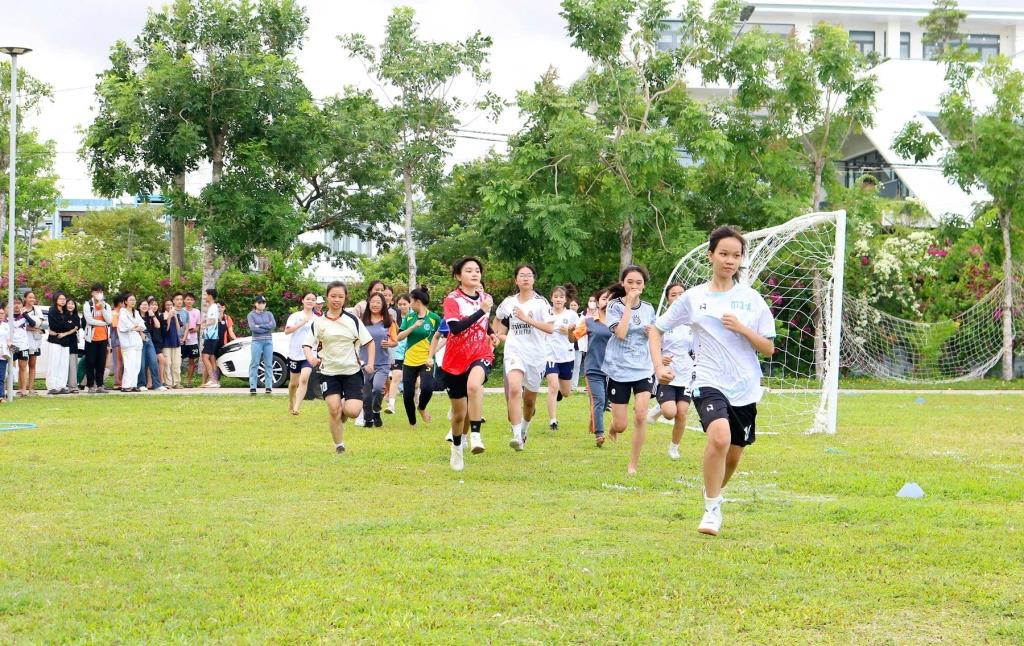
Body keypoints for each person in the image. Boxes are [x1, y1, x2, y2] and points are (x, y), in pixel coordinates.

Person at [651, 226, 776, 537]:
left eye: (736, 255)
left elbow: (769, 348)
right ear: (711, 256)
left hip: (745, 387)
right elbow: (656, 329)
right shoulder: (693, 298)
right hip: (708, 380)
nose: (730, 260)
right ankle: (711, 508)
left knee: (733, 455)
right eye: (724, 254)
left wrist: (743, 330)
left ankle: (714, 493)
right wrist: (658, 366)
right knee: (718, 438)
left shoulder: (751, 299)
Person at [303, 281, 373, 454]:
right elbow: (306, 344)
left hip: (352, 372)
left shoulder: (353, 320)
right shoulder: (318, 322)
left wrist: (370, 363)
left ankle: (344, 403)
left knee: (353, 411)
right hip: (328, 372)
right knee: (334, 410)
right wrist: (310, 357)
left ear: (345, 298)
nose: (337, 300)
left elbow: (369, 343)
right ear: (327, 297)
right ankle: (339, 446)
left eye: (340, 296)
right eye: (333, 296)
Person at [441, 257, 494, 471]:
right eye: (468, 270)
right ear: (458, 276)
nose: (474, 273)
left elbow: (483, 324)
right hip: (454, 361)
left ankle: (476, 435)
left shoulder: (486, 297)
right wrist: (481, 310)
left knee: (474, 386)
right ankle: (456, 447)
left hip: (480, 353)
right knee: (458, 414)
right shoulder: (452, 299)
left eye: (477, 270)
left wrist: (491, 334)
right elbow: (455, 329)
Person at [492, 264, 553, 452]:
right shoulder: (509, 302)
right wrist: (496, 335)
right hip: (514, 351)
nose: (526, 278)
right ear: (516, 280)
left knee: (529, 400)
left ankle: (524, 430)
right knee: (514, 389)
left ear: (533, 279)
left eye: (529, 275)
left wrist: (526, 319)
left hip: (535, 354)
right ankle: (516, 436)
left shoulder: (541, 303)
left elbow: (550, 328)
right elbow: (498, 319)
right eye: (522, 275)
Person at [603, 265, 656, 475]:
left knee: (641, 415)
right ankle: (613, 426)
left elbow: (654, 337)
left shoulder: (649, 309)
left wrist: (652, 333)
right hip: (618, 369)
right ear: (623, 283)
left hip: (643, 368)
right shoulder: (614, 306)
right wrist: (629, 306)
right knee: (621, 425)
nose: (634, 286)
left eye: (639, 282)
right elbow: (622, 333)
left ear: (644, 285)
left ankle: (632, 464)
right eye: (631, 282)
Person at [653, 283, 694, 461]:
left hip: (686, 375)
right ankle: (660, 407)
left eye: (681, 294)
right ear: (668, 299)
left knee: (682, 412)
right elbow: (652, 348)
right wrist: (660, 360)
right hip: (667, 374)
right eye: (673, 295)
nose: (677, 297)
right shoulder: (662, 322)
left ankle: (674, 447)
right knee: (670, 412)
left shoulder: (693, 322)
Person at [569, 287, 613, 447]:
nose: (607, 302)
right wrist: (569, 331)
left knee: (607, 401)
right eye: (603, 299)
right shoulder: (588, 322)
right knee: (599, 400)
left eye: (610, 299)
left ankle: (594, 421)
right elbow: (573, 338)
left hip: (613, 370)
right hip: (593, 368)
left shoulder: (620, 323)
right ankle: (599, 434)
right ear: (597, 302)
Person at [396, 287, 440, 426]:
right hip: (409, 360)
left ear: (417, 301)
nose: (409, 304)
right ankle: (412, 423)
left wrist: (432, 354)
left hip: (426, 360)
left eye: (410, 301)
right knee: (408, 394)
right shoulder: (409, 317)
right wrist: (413, 326)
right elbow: (399, 337)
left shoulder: (434, 318)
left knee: (427, 388)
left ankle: (421, 408)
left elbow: (443, 337)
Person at [543, 285, 580, 431]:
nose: (558, 299)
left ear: (565, 299)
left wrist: (568, 332)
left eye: (561, 297)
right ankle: (553, 420)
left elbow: (578, 335)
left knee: (566, 392)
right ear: (551, 298)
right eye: (556, 296)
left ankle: (559, 391)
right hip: (549, 354)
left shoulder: (571, 315)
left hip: (566, 355)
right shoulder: (546, 313)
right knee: (552, 386)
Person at [359, 292, 396, 428]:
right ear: (369, 303)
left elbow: (394, 340)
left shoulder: (388, 321)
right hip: (365, 362)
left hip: (382, 362)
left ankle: (376, 411)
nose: (375, 305)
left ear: (383, 305)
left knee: (377, 388)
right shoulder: (362, 322)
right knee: (366, 395)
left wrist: (390, 344)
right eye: (372, 301)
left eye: (378, 302)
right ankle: (368, 419)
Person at [285, 292, 317, 415]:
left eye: (313, 299)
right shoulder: (295, 316)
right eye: (308, 299)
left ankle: (297, 408)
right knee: (293, 384)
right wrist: (302, 323)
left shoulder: (318, 318)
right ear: (302, 300)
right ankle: (291, 402)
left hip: (309, 354)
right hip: (295, 354)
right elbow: (287, 331)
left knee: (304, 379)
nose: (310, 301)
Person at [45, 292, 76, 395]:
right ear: (56, 299)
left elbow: (70, 326)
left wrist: (65, 327)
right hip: (55, 340)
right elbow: (55, 325)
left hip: (65, 341)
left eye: (64, 299)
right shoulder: (52, 310)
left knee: (63, 365)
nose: (63, 300)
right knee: (54, 364)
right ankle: (52, 386)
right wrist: (66, 326)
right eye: (60, 299)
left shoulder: (66, 311)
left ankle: (61, 386)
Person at [83, 283, 112, 393]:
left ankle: (100, 385)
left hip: (103, 338)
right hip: (91, 338)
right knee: (90, 362)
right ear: (92, 293)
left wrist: (102, 308)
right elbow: (89, 320)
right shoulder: (88, 304)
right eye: (96, 291)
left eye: (100, 291)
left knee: (101, 363)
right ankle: (90, 385)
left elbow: (109, 320)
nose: (98, 294)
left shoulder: (106, 305)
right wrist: (103, 323)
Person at [385, 293, 411, 415]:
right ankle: (391, 405)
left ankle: (416, 396)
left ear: (410, 304)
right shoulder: (394, 317)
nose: (402, 306)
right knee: (395, 376)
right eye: (399, 304)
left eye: (404, 304)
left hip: (412, 352)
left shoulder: (414, 317)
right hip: (397, 352)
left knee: (416, 383)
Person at [247, 295, 277, 395]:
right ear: (255, 303)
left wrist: (259, 325)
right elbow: (253, 328)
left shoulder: (269, 314)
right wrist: (266, 327)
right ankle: (253, 387)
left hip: (268, 341)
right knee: (254, 363)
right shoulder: (251, 315)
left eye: (263, 302)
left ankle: (268, 387)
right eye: (259, 302)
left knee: (269, 364)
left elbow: (273, 325)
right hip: (256, 341)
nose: (262, 304)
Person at [117, 294, 146, 393]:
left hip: (137, 341)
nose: (133, 302)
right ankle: (126, 385)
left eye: (134, 300)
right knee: (129, 364)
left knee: (137, 364)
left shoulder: (136, 312)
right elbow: (126, 325)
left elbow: (142, 324)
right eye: (130, 300)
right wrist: (135, 327)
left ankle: (133, 385)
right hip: (128, 342)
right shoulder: (123, 311)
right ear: (125, 301)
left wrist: (136, 327)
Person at [138, 300, 166, 391]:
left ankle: (157, 384)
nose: (145, 306)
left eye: (146, 305)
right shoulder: (136, 315)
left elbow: (158, 326)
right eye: (143, 304)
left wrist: (153, 315)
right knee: (142, 363)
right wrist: (141, 334)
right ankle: (141, 384)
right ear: (139, 306)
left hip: (148, 338)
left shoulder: (149, 317)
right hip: (139, 337)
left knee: (153, 361)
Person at [23, 290, 46, 394]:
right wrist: (33, 328)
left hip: (35, 342)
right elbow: (21, 326)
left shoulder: (37, 310)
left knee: (32, 364)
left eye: (33, 297)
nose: (32, 299)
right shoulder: (21, 309)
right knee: (22, 365)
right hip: (23, 341)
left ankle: (31, 388)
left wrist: (32, 328)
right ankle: (22, 388)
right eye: (30, 297)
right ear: (25, 298)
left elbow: (37, 324)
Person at [200, 289, 221, 388]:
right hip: (211, 336)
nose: (204, 296)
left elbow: (213, 320)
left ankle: (213, 380)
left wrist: (204, 324)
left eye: (206, 295)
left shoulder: (213, 307)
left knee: (205, 357)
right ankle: (215, 380)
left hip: (211, 337)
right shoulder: (212, 307)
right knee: (211, 358)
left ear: (210, 296)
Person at [64, 298, 85, 393]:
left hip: (73, 343)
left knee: (73, 364)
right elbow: (65, 327)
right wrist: (71, 328)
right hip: (62, 343)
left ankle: (73, 386)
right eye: (68, 303)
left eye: (72, 304)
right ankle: (63, 385)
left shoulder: (76, 317)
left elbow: (76, 327)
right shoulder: (62, 315)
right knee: (64, 365)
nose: (70, 305)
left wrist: (71, 328)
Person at [11, 299, 31, 397]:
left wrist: (25, 314)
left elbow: (33, 323)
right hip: (12, 345)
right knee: (10, 367)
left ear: (22, 305)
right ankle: (8, 389)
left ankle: (23, 389)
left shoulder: (24, 316)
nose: (16, 305)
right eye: (14, 303)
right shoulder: (7, 316)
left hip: (23, 345)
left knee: (22, 367)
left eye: (18, 303)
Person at [161, 298, 182, 389]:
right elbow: (166, 329)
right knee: (167, 363)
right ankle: (168, 383)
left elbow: (178, 329)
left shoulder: (176, 315)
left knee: (176, 363)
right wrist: (169, 317)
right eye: (167, 305)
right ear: (164, 306)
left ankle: (176, 382)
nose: (169, 306)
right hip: (166, 343)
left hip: (176, 342)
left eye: (170, 305)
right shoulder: (162, 315)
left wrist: (175, 317)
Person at [181, 292, 201, 387]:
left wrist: (195, 330)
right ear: (184, 300)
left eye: (191, 300)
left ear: (194, 301)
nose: (189, 301)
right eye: (188, 299)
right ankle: (176, 381)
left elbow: (198, 325)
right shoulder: (181, 311)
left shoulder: (197, 311)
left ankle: (188, 381)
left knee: (192, 361)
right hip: (182, 340)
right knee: (178, 361)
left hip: (193, 340)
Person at [0, 303, 11, 402]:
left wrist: (13, 351)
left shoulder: (6, 326)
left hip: (2, 355)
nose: (1, 316)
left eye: (2, 314)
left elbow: (9, 341)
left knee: (1, 376)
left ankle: (1, 396)